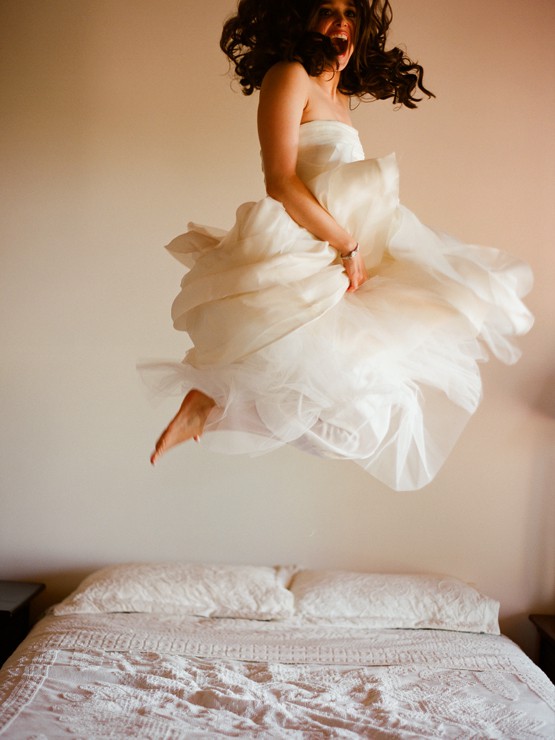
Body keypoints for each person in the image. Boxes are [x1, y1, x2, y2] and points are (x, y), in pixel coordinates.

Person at [145, 0, 533, 490]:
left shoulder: (340, 98)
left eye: (351, 12)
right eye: (327, 9)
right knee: (333, 405)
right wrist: (347, 246)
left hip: (341, 252)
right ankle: (212, 402)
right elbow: (281, 180)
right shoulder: (289, 76)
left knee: (364, 424)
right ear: (300, 17)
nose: (342, 22)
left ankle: (215, 405)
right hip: (308, 249)